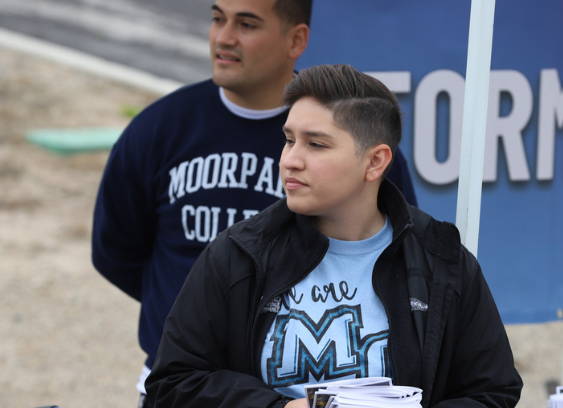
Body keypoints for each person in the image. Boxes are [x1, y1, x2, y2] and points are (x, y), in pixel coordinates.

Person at [91, 0, 418, 405]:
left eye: (246, 24)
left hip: (315, 390)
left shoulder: (355, 143)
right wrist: (201, 312)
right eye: (217, 18)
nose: (224, 37)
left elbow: (398, 251)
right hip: (188, 388)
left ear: (296, 39)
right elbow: (116, 250)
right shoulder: (158, 129)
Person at [145, 64, 522, 408]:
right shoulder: (238, 253)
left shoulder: (442, 260)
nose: (290, 159)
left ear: (375, 162)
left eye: (316, 144)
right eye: (289, 139)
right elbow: (174, 382)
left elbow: (492, 393)